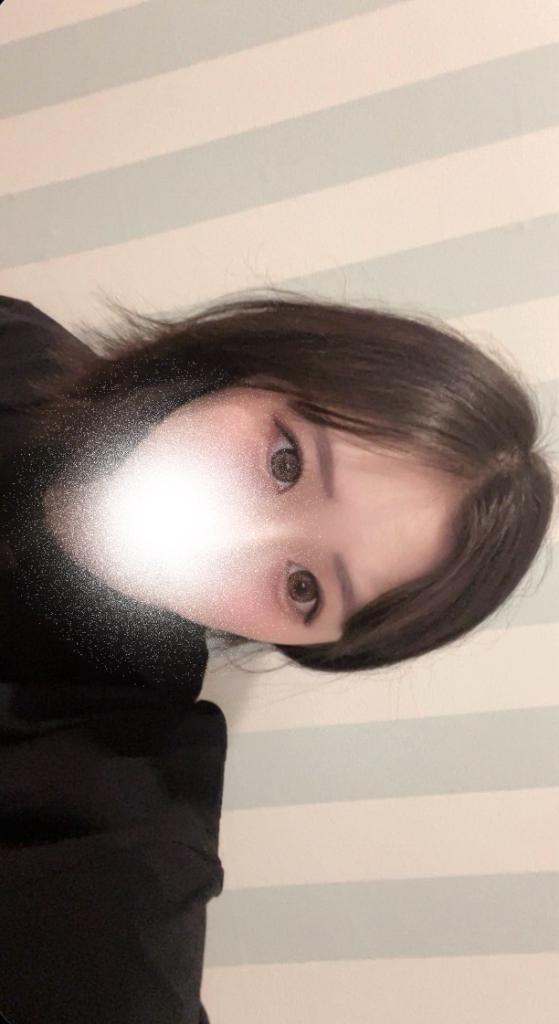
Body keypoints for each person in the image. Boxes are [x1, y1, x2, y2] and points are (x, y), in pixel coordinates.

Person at [0, 290, 556, 1023]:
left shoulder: (117, 797)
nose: (238, 539)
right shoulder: (18, 349)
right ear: (248, 370)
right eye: (285, 463)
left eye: (303, 588)